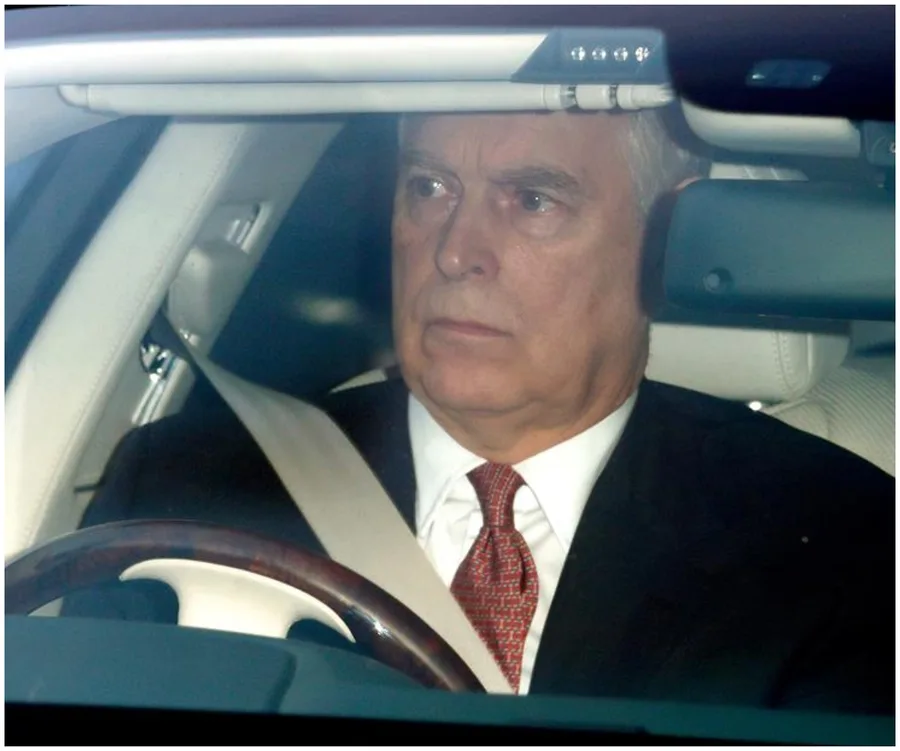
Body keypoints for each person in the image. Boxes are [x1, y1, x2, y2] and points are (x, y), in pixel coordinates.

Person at [66, 108, 894, 713]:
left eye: (533, 200)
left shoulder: (836, 540)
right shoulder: (186, 487)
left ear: (665, 235)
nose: (456, 250)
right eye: (427, 187)